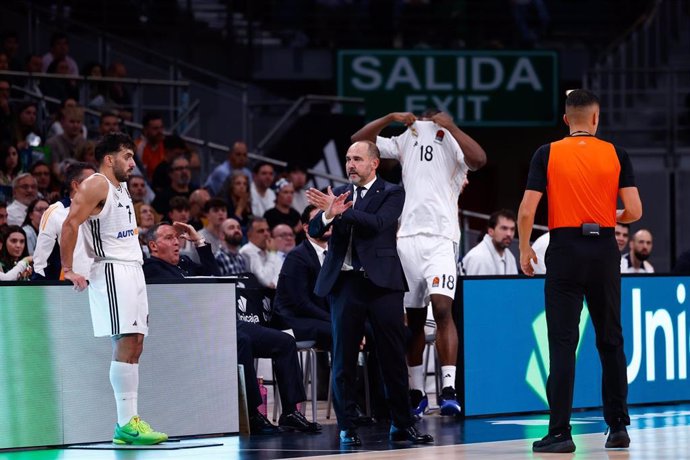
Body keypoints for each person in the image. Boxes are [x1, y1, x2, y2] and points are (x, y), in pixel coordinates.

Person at [517, 89, 642, 453]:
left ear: (566, 120)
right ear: (597, 119)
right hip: (604, 248)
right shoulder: (616, 153)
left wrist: (525, 248)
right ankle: (617, 427)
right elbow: (634, 209)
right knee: (611, 338)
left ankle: (560, 434)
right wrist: (608, 216)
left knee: (561, 343)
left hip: (565, 248)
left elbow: (526, 211)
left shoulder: (548, 152)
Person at [351, 110, 487, 418]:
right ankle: (416, 393)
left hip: (441, 238)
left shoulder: (452, 138)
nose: (427, 116)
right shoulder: (403, 139)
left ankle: (449, 389)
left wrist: (451, 125)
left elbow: (479, 160)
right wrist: (387, 118)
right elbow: (359, 142)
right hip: (408, 238)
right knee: (413, 321)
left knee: (441, 309)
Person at [306, 140, 433, 447]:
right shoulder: (339, 196)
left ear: (374, 163)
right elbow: (312, 230)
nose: (351, 164)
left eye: (357, 159)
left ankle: (402, 424)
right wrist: (326, 216)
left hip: (382, 285)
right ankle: (347, 427)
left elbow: (376, 224)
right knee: (344, 360)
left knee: (391, 357)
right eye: (348, 159)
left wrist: (338, 212)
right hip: (345, 284)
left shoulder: (392, 192)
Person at [60, 132, 168, 445]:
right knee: (125, 343)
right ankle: (124, 424)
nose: (134, 163)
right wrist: (68, 268)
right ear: (110, 159)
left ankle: (130, 422)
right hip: (110, 270)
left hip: (132, 269)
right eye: (128, 157)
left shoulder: (121, 189)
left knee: (136, 344)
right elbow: (70, 223)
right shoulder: (97, 183)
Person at [274, 204, 331, 347]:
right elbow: (301, 303)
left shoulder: (335, 254)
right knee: (343, 330)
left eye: (329, 218)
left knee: (373, 326)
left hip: (320, 316)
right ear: (306, 228)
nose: (327, 223)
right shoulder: (297, 256)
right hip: (295, 319)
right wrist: (334, 319)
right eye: (320, 219)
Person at [32, 162, 95, 280]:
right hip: (70, 285)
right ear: (76, 185)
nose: (99, 186)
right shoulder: (55, 212)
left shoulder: (106, 210)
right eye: (92, 182)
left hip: (102, 283)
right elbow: (41, 259)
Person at [142, 222, 220, 278]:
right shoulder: (150, 268)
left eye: (176, 237)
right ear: (153, 246)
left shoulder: (184, 261)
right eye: (169, 238)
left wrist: (199, 241)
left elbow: (215, 277)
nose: (176, 242)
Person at [461, 209, 518, 276]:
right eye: (504, 228)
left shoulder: (510, 257)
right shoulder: (477, 257)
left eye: (512, 229)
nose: (509, 234)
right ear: (491, 231)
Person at [240, 217, 282, 289]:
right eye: (261, 231)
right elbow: (265, 280)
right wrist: (272, 253)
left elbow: (281, 277)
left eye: (268, 230)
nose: (266, 234)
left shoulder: (269, 251)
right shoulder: (247, 251)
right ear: (249, 235)